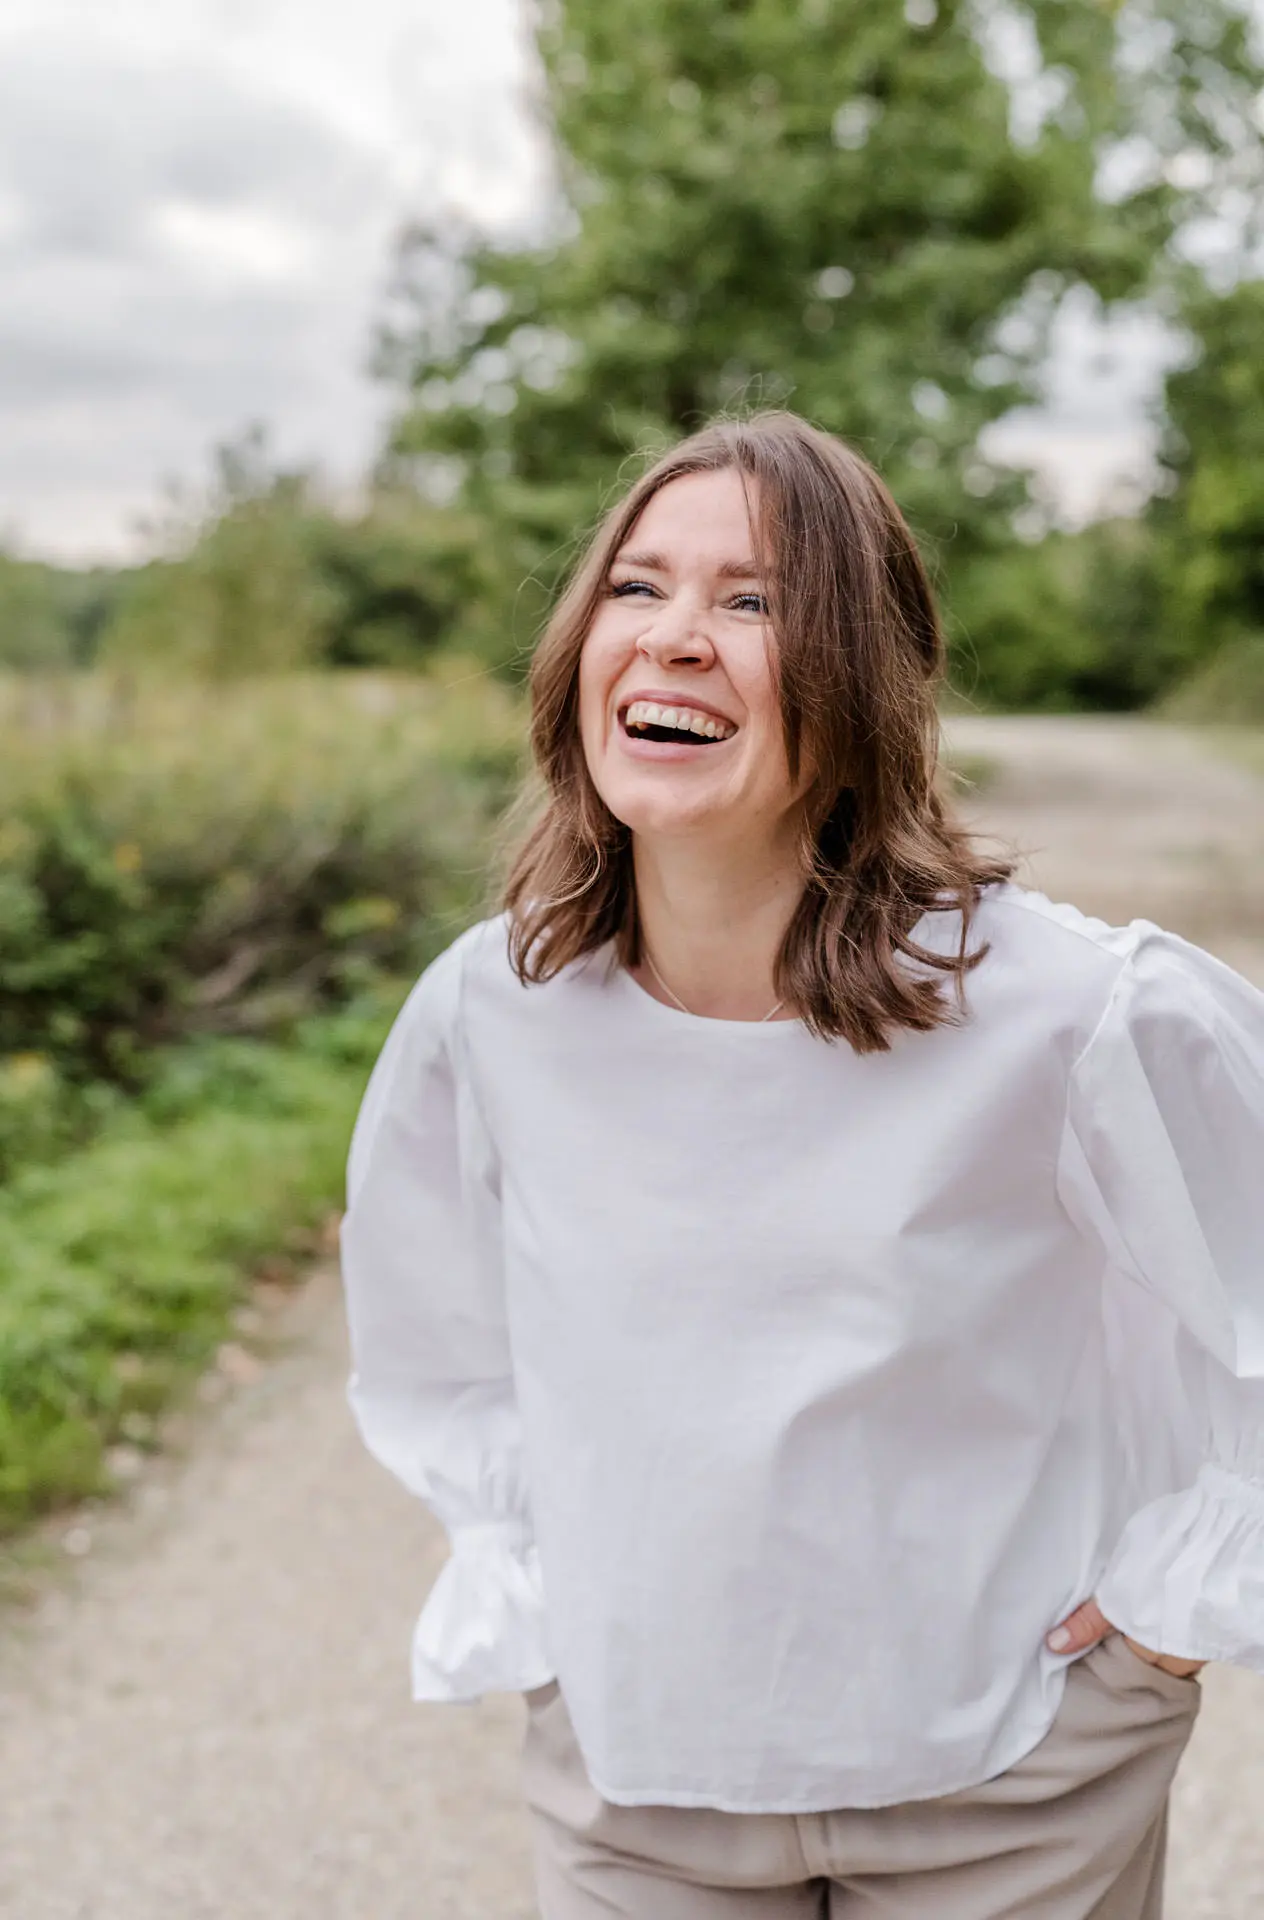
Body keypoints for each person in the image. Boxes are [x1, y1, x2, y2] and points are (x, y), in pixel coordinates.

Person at [339, 411, 1264, 1918]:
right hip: (637, 1790)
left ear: (864, 681)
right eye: (636, 588)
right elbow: (435, 1340)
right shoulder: (490, 1009)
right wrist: (557, 1617)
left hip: (1011, 1779)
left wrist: (1168, 1618)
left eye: (753, 601)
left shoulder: (1076, 1010)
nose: (675, 638)